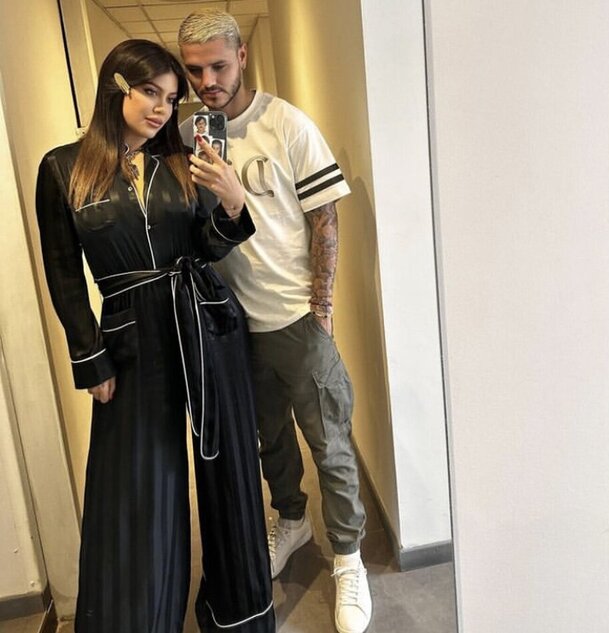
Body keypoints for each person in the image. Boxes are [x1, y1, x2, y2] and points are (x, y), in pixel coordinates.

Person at [35, 39, 275, 633]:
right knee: (138, 483)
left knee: (228, 467)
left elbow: (207, 247)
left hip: (204, 324)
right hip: (130, 339)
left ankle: (237, 613)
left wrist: (232, 204)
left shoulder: (181, 163)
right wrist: (90, 358)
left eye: (170, 98)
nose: (163, 108)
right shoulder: (63, 169)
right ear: (114, 87)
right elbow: (63, 272)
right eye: (149, 92)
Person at [178, 10, 372, 633]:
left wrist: (322, 309)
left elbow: (325, 219)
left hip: (295, 317)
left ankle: (348, 557)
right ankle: (291, 520)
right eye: (195, 70)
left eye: (218, 66)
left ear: (240, 57)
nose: (207, 81)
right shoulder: (187, 136)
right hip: (235, 325)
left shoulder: (286, 124)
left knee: (331, 444)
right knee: (270, 440)